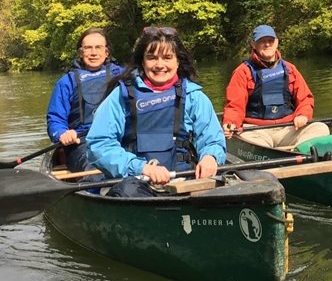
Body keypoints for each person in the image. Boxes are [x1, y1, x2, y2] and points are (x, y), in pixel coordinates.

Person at [86, 27, 226, 197]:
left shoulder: (194, 97)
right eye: (152, 58)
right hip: (134, 182)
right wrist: (142, 168)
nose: (160, 65)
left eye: (167, 58)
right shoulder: (120, 96)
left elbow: (212, 140)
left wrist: (210, 156)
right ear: (142, 62)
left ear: (177, 61)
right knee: (128, 191)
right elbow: (99, 145)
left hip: (182, 181)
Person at [221, 24, 331, 150]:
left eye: (270, 41)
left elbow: (305, 98)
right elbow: (234, 106)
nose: (267, 44)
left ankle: (296, 151)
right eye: (262, 41)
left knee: (321, 128)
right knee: (258, 145)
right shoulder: (243, 72)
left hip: (288, 127)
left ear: (276, 42)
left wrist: (303, 115)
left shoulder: (290, 69)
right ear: (253, 44)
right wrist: (231, 123)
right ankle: (283, 153)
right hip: (256, 130)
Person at [46, 28, 124, 172]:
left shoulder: (123, 76)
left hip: (119, 138)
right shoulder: (66, 82)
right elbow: (55, 120)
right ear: (81, 53)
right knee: (95, 171)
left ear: (107, 52)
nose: (94, 53)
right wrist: (62, 133)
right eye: (88, 48)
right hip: (83, 143)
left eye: (98, 47)